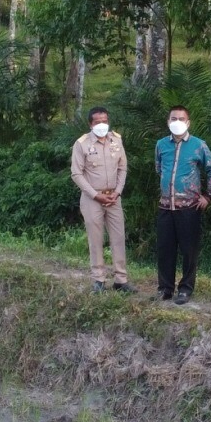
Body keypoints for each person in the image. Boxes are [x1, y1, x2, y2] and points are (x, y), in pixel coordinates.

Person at [153, 105, 211, 305]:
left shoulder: (198, 145)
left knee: (189, 250)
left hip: (190, 208)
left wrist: (208, 196)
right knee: (165, 249)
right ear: (168, 121)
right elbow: (158, 169)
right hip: (166, 206)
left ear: (188, 122)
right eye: (173, 118)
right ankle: (165, 288)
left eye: (181, 118)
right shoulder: (161, 145)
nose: (177, 122)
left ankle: (185, 288)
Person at [70, 107, 132, 294]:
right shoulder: (81, 144)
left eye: (104, 120)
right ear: (91, 124)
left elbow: (122, 168)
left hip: (114, 197)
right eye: (97, 122)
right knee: (95, 239)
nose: (102, 125)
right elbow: (76, 174)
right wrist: (95, 195)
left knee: (118, 238)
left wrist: (118, 192)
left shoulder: (116, 140)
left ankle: (121, 279)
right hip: (92, 198)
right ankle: (99, 279)